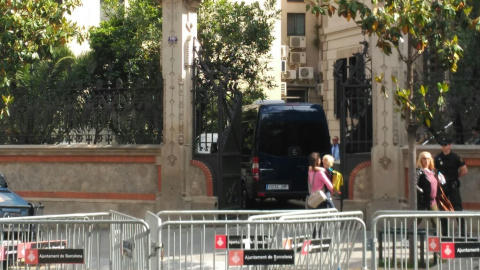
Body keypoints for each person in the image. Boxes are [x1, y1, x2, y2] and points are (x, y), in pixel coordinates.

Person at [434, 135, 468, 236]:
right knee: (443, 210)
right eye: (442, 145)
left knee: (457, 209)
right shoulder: (438, 158)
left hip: (453, 186)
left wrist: (455, 178)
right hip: (442, 186)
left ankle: (463, 234)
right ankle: (445, 235)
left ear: (450, 146)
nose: (443, 147)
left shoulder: (455, 158)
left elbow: (464, 170)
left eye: (445, 145)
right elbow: (435, 170)